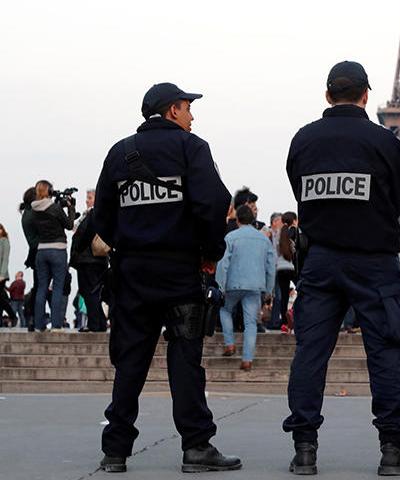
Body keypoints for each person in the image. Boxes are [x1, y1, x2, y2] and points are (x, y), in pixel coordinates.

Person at [92, 82, 241, 473]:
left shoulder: (120, 153)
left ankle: (115, 450)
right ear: (173, 110)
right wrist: (210, 253)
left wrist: (128, 243)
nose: (193, 117)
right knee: (185, 359)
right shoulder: (192, 148)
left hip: (133, 273)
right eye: (189, 108)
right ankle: (196, 446)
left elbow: (102, 216)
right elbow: (212, 204)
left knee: (131, 361)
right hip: (179, 270)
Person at [283, 61, 400, 476]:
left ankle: (304, 449)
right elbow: (397, 200)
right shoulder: (385, 142)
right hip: (373, 260)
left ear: (327, 96)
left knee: (310, 354)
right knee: (386, 353)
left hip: (320, 259)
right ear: (366, 95)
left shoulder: (303, 140)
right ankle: (392, 451)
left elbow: (299, 192)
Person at [215, 205, 276, 370]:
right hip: (255, 285)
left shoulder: (231, 237)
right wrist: (269, 290)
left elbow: (222, 264)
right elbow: (271, 267)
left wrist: (220, 285)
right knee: (250, 323)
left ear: (238, 220)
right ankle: (247, 359)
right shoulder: (264, 239)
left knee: (225, 310)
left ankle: (229, 344)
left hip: (233, 284)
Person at [30, 180, 76, 331]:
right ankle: (56, 325)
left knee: (41, 288)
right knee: (57, 287)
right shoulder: (55, 208)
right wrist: (70, 207)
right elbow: (69, 225)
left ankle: (39, 325)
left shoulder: (34, 210)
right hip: (58, 250)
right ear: (49, 191)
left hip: (41, 250)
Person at [70, 189, 109, 332]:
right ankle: (100, 323)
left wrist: (77, 250)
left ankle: (95, 324)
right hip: (95, 260)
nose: (87, 200)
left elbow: (84, 236)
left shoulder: (94, 214)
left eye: (90, 197)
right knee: (92, 293)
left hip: (89, 260)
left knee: (89, 292)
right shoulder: (98, 214)